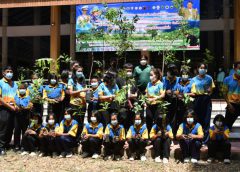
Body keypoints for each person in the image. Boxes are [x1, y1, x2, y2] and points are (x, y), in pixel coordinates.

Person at [189, 63, 215, 144]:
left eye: (204, 68)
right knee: (197, 119)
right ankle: (197, 138)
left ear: (206, 69)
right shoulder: (193, 79)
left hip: (206, 99)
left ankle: (205, 141)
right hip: (197, 99)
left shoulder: (209, 78)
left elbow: (211, 89)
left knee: (206, 120)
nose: (202, 69)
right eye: (201, 68)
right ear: (197, 68)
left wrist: (209, 91)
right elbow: (192, 92)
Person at [0, 66, 18, 155]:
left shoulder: (15, 84)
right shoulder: (0, 83)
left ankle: (7, 144)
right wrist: (9, 107)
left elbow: (17, 96)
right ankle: (1, 147)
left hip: (14, 108)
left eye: (11, 71)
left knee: (11, 127)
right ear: (3, 73)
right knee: (3, 128)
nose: (9, 73)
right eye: (7, 71)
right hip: (4, 108)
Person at [68, 67, 90, 132]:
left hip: (83, 104)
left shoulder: (83, 80)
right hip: (74, 104)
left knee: (81, 123)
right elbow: (71, 92)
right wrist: (82, 90)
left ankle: (79, 139)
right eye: (78, 71)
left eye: (81, 71)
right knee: (75, 122)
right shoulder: (71, 80)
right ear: (75, 72)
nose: (80, 72)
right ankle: (74, 138)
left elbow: (86, 92)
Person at [162, 64, 181, 135]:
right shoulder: (163, 79)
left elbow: (180, 90)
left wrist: (173, 92)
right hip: (165, 101)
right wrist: (166, 91)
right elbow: (161, 89)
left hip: (175, 101)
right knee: (165, 118)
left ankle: (173, 134)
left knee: (174, 119)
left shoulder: (178, 79)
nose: (172, 77)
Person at [118, 63, 138, 130]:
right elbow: (117, 92)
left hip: (133, 104)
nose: (129, 72)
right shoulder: (119, 80)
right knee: (123, 121)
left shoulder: (134, 80)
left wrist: (135, 95)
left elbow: (137, 90)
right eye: (127, 71)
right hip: (123, 105)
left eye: (130, 71)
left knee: (131, 122)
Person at [14, 83, 33, 151]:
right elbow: (14, 104)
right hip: (17, 116)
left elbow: (30, 106)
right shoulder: (16, 97)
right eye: (20, 89)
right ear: (18, 90)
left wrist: (25, 107)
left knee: (24, 131)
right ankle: (16, 145)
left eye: (23, 89)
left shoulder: (28, 97)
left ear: (26, 90)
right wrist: (16, 107)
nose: (22, 90)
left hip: (25, 116)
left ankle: (23, 145)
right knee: (17, 131)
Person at [222, 61, 240, 129]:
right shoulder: (227, 79)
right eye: (239, 68)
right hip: (232, 105)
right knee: (227, 126)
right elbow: (224, 93)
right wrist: (229, 104)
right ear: (235, 69)